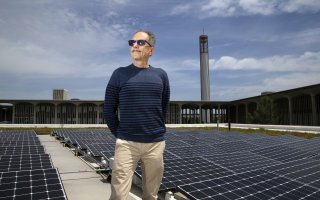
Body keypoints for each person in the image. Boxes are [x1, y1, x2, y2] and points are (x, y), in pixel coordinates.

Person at [104, 29, 170, 200]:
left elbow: (163, 106)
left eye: (140, 43)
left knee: (151, 194)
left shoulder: (161, 75)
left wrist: (157, 130)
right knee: (119, 194)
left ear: (151, 50)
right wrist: (120, 134)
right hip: (127, 144)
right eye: (132, 43)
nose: (135, 46)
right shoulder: (119, 74)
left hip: (155, 144)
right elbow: (108, 110)